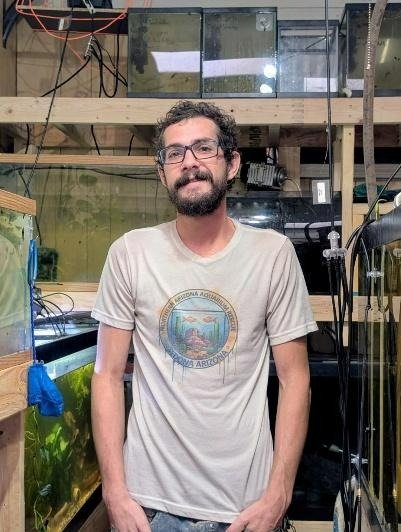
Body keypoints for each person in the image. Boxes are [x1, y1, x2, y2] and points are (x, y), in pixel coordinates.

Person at [91, 100, 318, 532]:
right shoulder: (130, 253)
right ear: (162, 172)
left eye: (203, 148)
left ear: (232, 164)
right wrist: (114, 492)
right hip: (149, 509)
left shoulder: (272, 254)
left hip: (245, 510)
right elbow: (106, 375)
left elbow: (295, 380)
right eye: (174, 153)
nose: (189, 162)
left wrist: (279, 495)